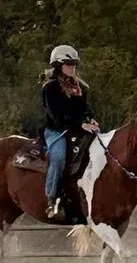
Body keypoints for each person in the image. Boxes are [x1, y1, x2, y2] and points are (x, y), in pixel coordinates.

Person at [41, 45, 99, 221]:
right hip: (57, 131)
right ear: (58, 66)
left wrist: (90, 119)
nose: (72, 67)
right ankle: (52, 198)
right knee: (58, 157)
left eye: (74, 64)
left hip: (77, 128)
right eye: (68, 64)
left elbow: (84, 109)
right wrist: (80, 125)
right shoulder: (50, 88)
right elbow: (57, 116)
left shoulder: (80, 87)